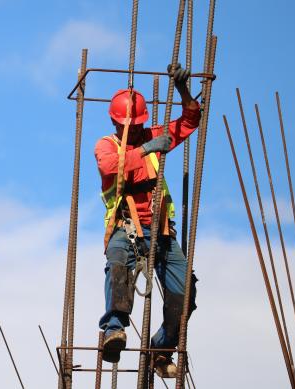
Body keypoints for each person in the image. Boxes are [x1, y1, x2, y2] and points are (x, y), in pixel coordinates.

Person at [93, 63, 199, 378]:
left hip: (162, 232)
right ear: (115, 121)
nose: (135, 130)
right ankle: (114, 328)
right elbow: (111, 167)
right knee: (117, 262)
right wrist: (146, 148)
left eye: (138, 125)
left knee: (185, 299)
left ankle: (160, 349)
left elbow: (190, 121)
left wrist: (182, 90)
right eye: (130, 125)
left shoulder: (153, 136)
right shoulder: (106, 146)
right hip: (126, 227)